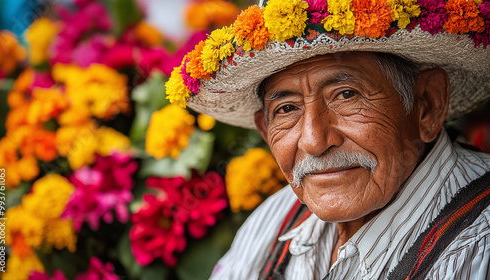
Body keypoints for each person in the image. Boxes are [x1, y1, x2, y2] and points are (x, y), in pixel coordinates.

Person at [164, 0, 490, 279]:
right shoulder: (278, 218)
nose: (314, 141)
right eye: (287, 108)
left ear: (427, 105)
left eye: (346, 95)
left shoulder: (479, 243)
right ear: (265, 131)